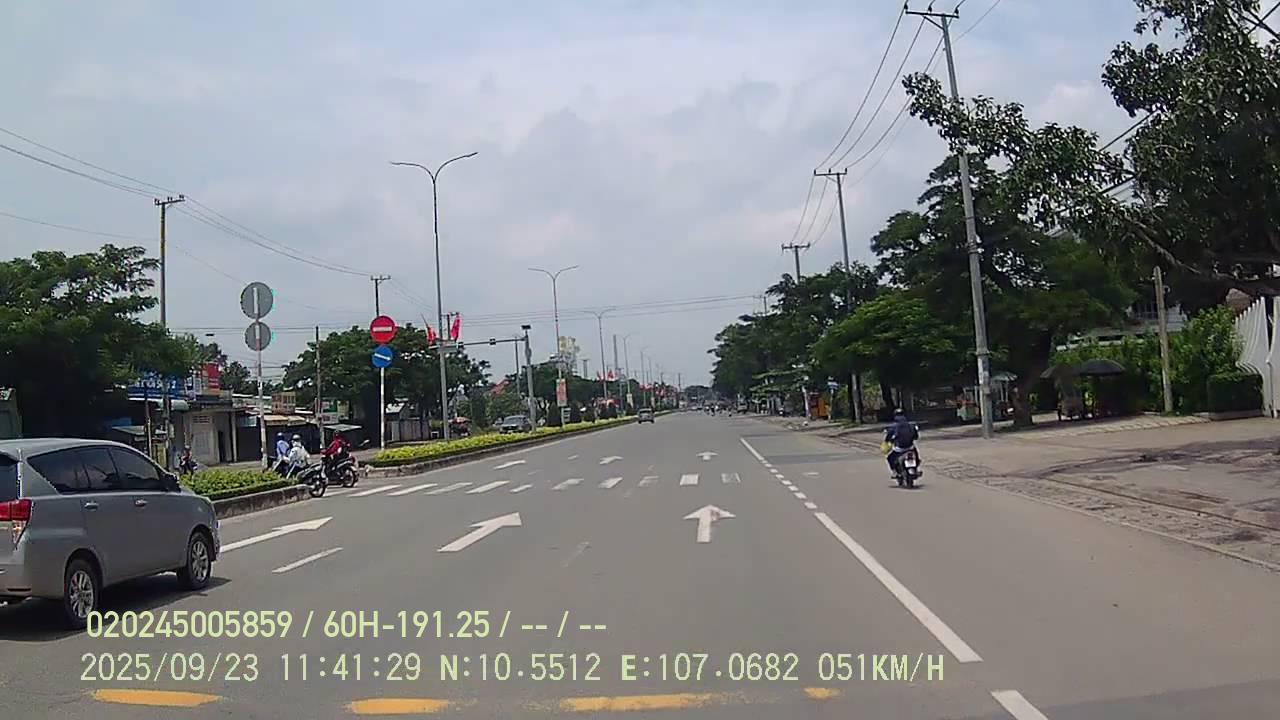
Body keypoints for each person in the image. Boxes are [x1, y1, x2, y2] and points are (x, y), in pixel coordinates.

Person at [884, 409, 920, 478]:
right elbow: (916, 436)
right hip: (910, 447)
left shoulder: (894, 426)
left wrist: (888, 441)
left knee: (890, 458)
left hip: (899, 449)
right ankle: (916, 469)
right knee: (916, 456)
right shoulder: (911, 425)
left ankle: (894, 472)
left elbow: (888, 436)